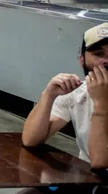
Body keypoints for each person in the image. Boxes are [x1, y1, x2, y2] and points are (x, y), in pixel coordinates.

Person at [23, 21, 108, 169]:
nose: (106, 61)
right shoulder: (78, 94)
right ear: (82, 61)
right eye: (98, 54)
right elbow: (31, 139)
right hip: (89, 181)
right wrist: (48, 95)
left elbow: (100, 162)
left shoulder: (95, 98)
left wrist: (101, 104)